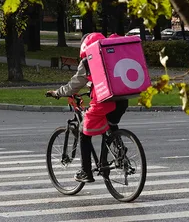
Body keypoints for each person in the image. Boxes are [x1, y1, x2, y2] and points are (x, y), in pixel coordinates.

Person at [46, 33, 128, 183]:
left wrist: (58, 93)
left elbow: (75, 84)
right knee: (110, 125)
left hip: (104, 102)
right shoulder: (110, 55)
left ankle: (86, 172)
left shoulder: (88, 60)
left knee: (84, 133)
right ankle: (120, 152)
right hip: (122, 99)